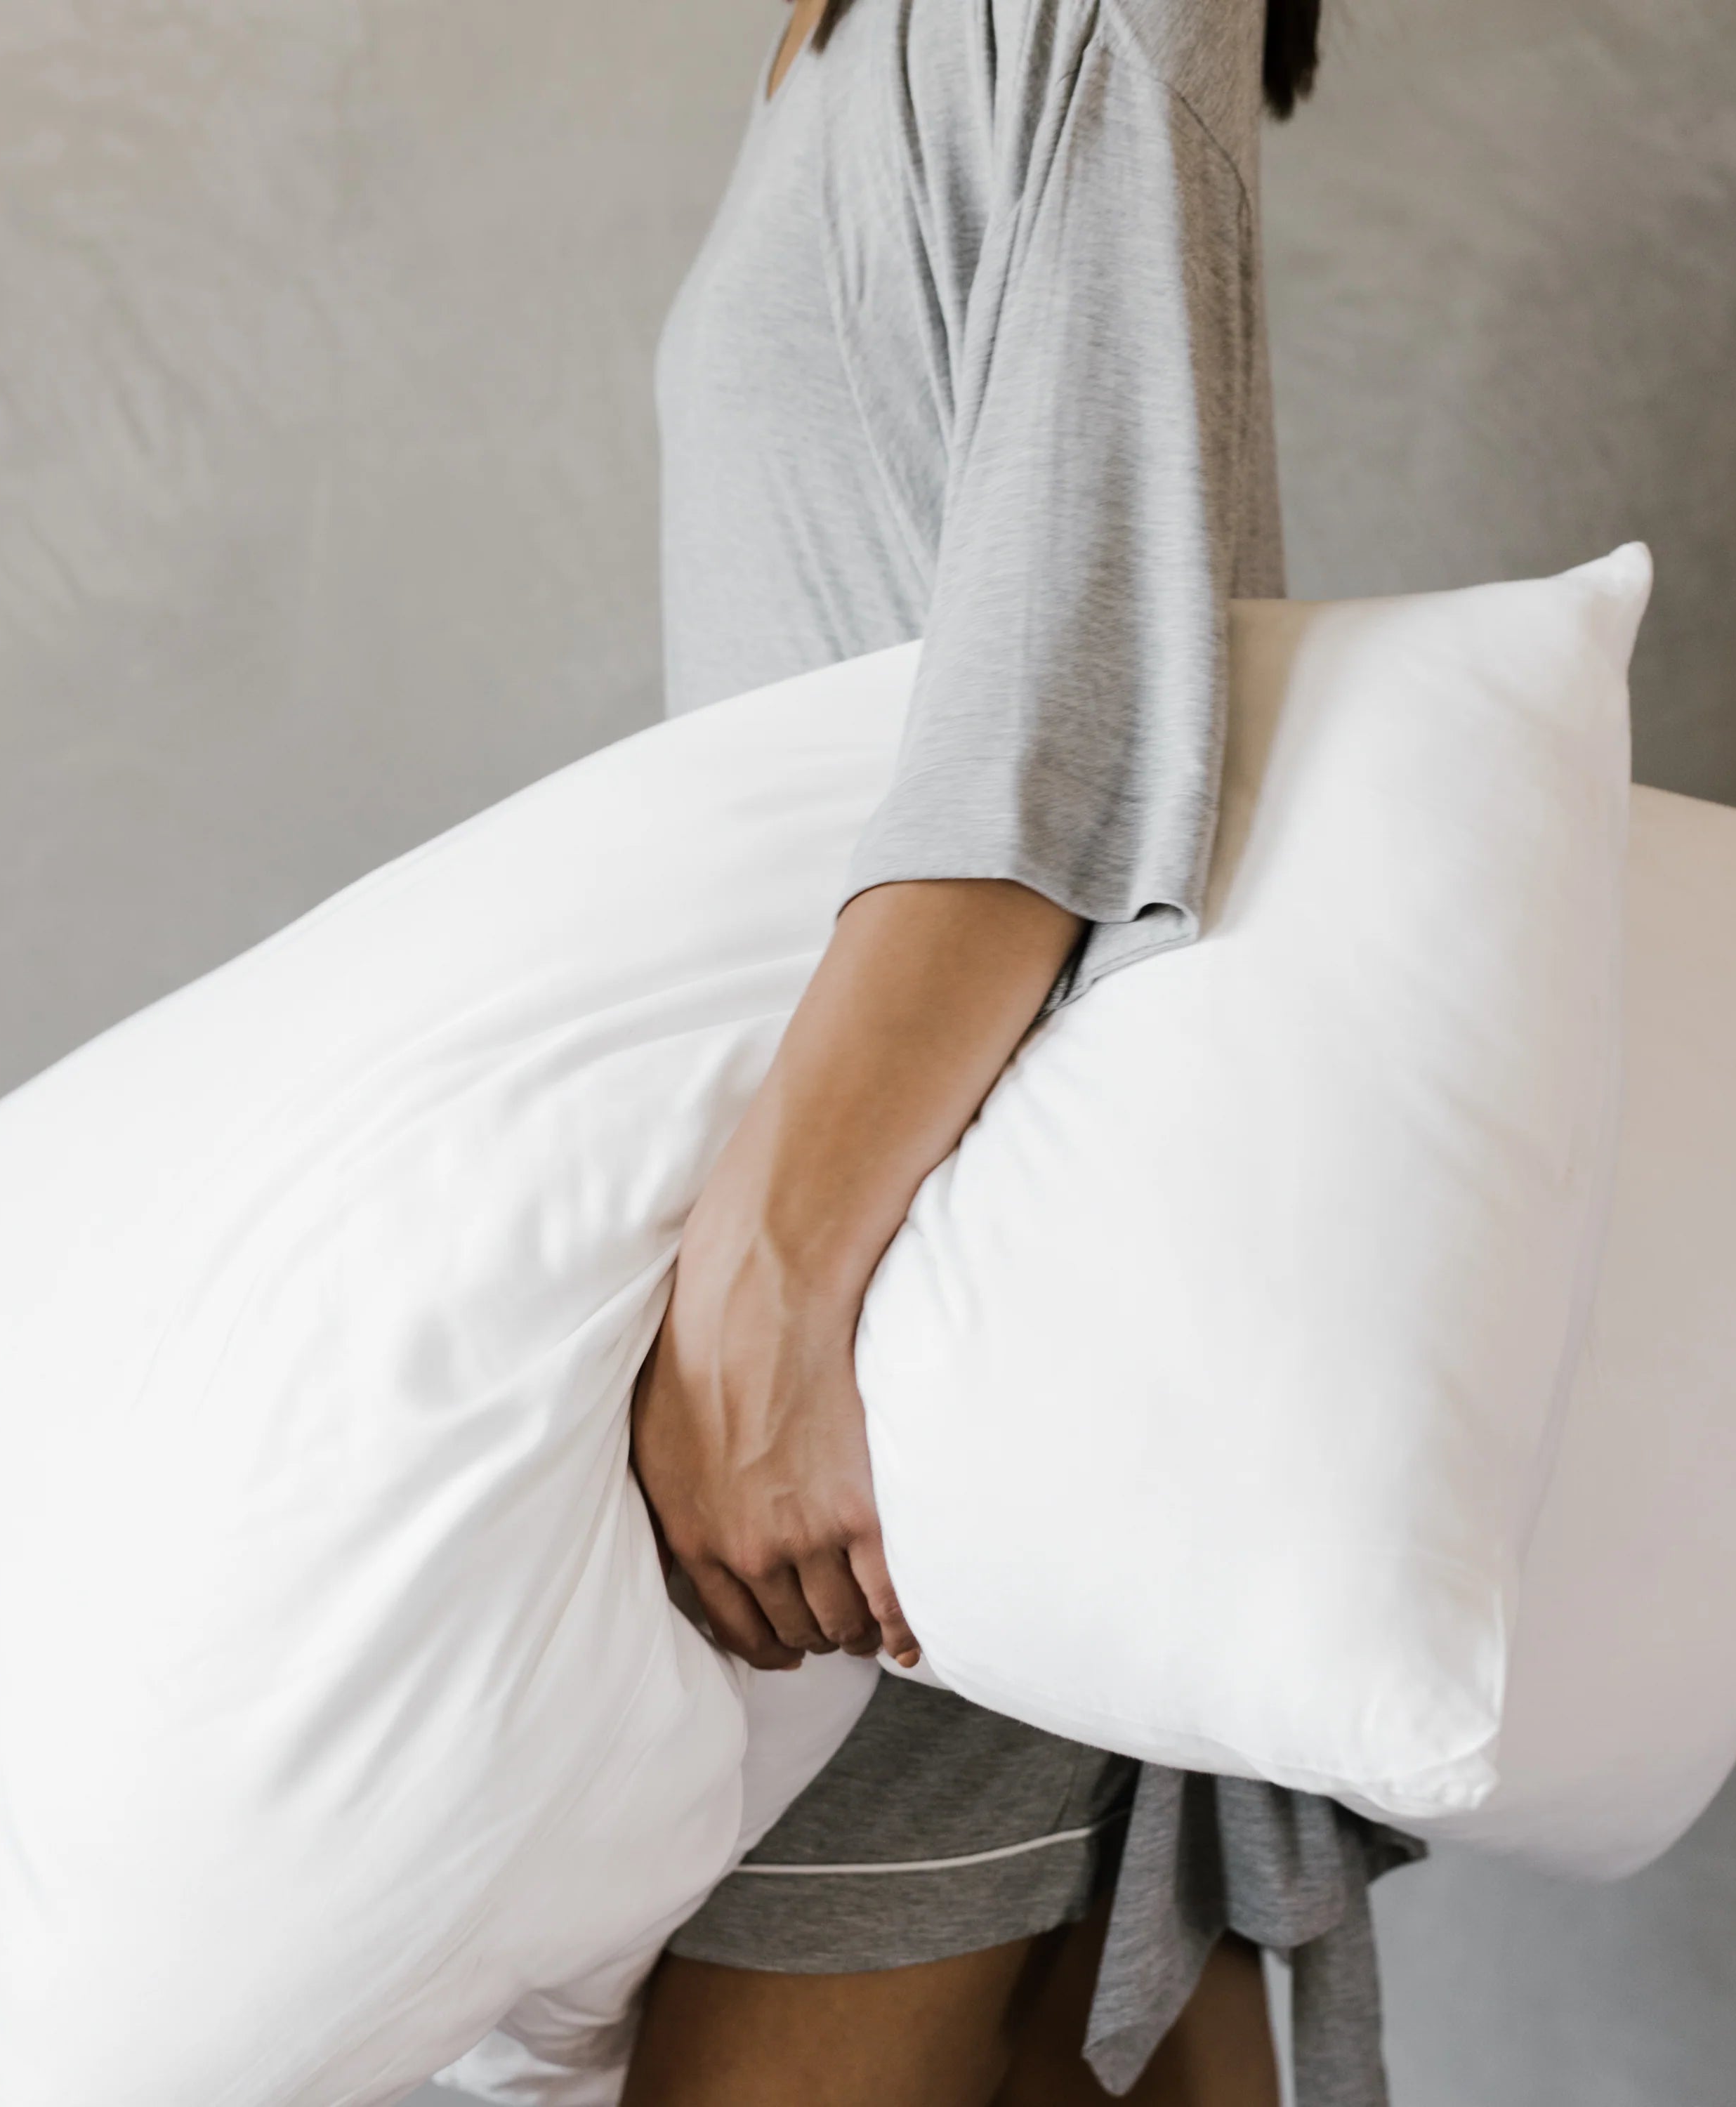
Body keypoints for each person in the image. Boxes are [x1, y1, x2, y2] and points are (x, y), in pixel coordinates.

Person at [625, 1, 1419, 2102]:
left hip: (933, 1307)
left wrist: (772, 1292)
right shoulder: (846, 36)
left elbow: (1057, 738)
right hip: (925, 1268)